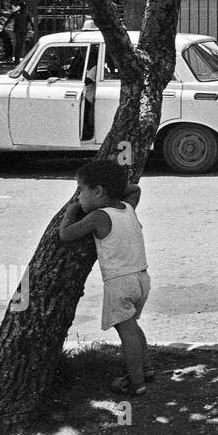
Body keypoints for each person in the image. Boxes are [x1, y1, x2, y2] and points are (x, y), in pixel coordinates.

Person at [58, 161, 151, 396]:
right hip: (142, 279)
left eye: (81, 190)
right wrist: (116, 186)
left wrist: (71, 210)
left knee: (127, 333)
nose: (78, 197)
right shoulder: (128, 207)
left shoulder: (98, 217)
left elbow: (66, 234)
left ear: (98, 191)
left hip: (119, 284)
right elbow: (135, 189)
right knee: (133, 327)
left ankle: (136, 382)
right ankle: (147, 368)